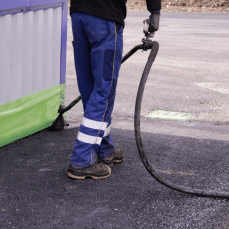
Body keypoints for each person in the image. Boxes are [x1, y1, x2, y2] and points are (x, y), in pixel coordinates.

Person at [67, 0, 161, 180]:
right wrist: (155, 12)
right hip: (104, 15)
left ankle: (104, 149)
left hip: (78, 13)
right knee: (104, 89)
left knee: (90, 87)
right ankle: (82, 160)